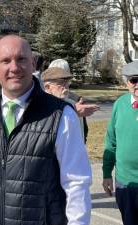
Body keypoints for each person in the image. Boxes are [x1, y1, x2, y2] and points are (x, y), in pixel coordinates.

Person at [0, 35, 92, 225]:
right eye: (5, 61)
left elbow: (76, 183)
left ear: (33, 63)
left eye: (21, 59)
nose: (14, 68)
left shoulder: (61, 115)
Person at [102, 60, 138, 225]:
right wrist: (107, 173)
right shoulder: (120, 104)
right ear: (127, 82)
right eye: (134, 80)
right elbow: (111, 141)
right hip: (125, 183)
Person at [48, 59, 100, 143]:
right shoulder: (41, 99)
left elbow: (82, 130)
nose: (64, 85)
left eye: (65, 80)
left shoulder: (75, 100)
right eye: (59, 80)